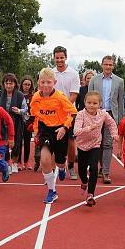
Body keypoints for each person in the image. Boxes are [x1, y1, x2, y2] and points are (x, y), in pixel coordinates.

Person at [29, 67, 77, 204]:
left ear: (54, 82)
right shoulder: (36, 97)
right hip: (45, 130)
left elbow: (73, 113)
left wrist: (64, 127)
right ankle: (52, 191)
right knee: (45, 159)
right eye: (42, 82)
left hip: (60, 130)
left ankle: (62, 168)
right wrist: (36, 130)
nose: (45, 85)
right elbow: (35, 114)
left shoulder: (60, 97)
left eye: (48, 82)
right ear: (38, 83)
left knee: (60, 161)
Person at [73, 91, 118, 206]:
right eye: (89, 103)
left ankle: (90, 194)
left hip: (95, 145)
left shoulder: (103, 114)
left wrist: (114, 134)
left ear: (100, 104)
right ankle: (84, 182)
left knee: (94, 168)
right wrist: (89, 128)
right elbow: (76, 131)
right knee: (82, 170)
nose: (92, 105)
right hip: (82, 145)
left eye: (95, 103)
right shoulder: (80, 114)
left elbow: (111, 124)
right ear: (84, 103)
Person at [87, 56, 125, 184]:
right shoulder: (94, 79)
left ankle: (106, 172)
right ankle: (96, 168)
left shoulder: (119, 81)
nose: (108, 67)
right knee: (96, 143)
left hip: (111, 115)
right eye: (106, 64)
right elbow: (89, 98)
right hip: (96, 114)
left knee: (108, 144)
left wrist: (119, 120)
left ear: (113, 66)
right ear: (101, 65)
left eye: (110, 65)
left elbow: (120, 102)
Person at [51, 46, 81, 180]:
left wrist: (64, 107)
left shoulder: (73, 74)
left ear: (66, 57)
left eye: (61, 57)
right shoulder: (51, 73)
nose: (59, 60)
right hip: (53, 114)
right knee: (53, 141)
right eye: (57, 58)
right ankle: (52, 169)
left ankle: (70, 166)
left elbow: (74, 94)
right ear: (54, 58)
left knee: (70, 141)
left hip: (69, 113)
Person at [0, 73, 28, 173]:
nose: (8, 85)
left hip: (16, 122)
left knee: (16, 143)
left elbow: (26, 109)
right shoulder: (0, 94)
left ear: (15, 84)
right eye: (7, 83)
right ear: (4, 84)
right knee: (3, 143)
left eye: (11, 83)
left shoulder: (19, 95)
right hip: (2, 123)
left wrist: (19, 110)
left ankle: (14, 163)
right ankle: (6, 163)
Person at [20, 76, 36, 170]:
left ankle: (26, 162)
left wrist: (33, 122)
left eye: (29, 85)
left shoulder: (33, 96)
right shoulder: (18, 94)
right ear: (21, 85)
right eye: (25, 84)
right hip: (19, 121)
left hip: (28, 122)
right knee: (18, 142)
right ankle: (18, 162)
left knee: (27, 142)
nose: (27, 86)